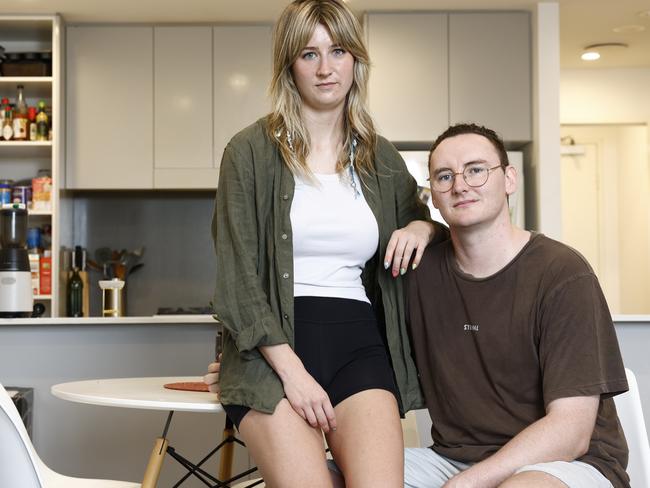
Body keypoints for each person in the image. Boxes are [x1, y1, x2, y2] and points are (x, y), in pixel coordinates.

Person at [206, 1, 445, 486]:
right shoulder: (249, 152)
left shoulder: (381, 158)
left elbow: (426, 223)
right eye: (309, 54)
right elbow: (238, 280)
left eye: (338, 51)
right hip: (272, 356)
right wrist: (293, 374)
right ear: (289, 64)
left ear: (355, 60)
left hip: (359, 344)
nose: (326, 68)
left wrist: (424, 227)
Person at [403, 123, 629, 488]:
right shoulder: (419, 273)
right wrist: (421, 227)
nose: (460, 185)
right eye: (444, 176)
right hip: (451, 458)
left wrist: (468, 483)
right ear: (434, 195)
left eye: (476, 170)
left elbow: (571, 431)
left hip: (567, 463)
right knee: (342, 474)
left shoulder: (562, 273)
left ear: (509, 179)